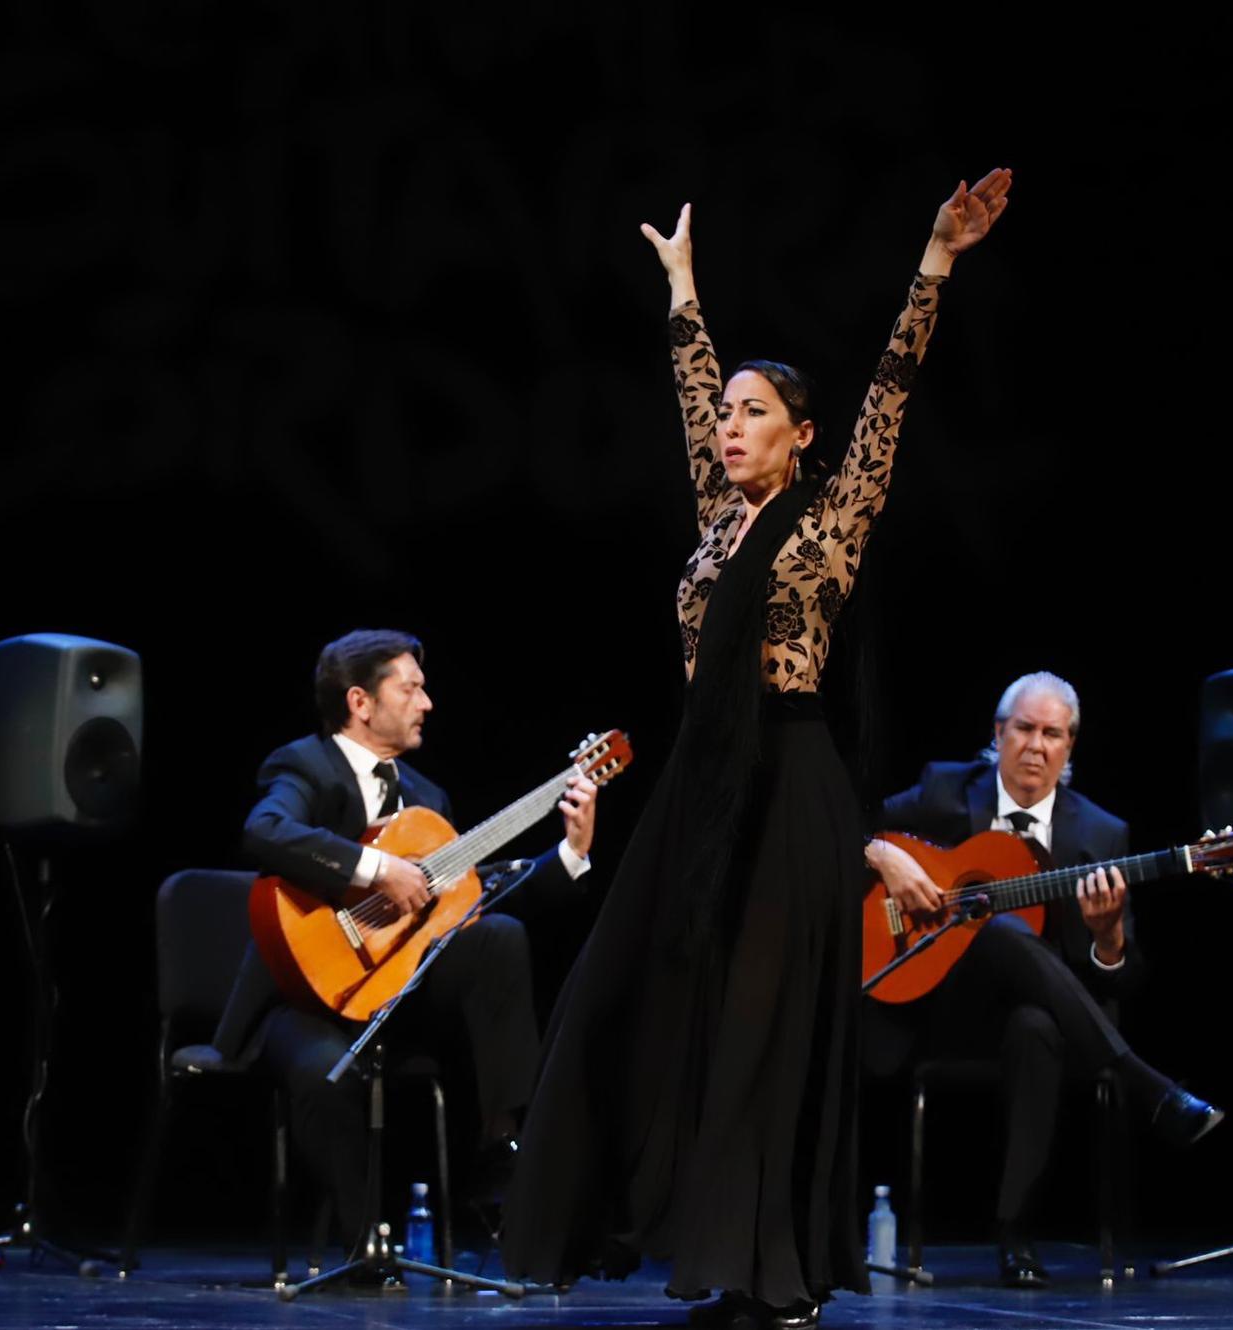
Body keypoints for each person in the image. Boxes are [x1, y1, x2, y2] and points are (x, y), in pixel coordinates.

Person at [501, 170, 1012, 1329]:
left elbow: (890, 392)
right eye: (724, 413)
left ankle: (764, 1271)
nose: (727, 426)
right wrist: (681, 289)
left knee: (759, 1032)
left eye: (751, 414)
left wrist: (932, 263)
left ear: (801, 440)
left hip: (789, 789)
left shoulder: (831, 519)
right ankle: (643, 1223)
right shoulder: (715, 516)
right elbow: (688, 389)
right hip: (701, 788)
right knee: (618, 995)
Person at [210, 628, 599, 1254]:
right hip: (303, 998)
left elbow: (472, 899)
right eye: (411, 688)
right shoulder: (304, 766)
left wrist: (570, 852)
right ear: (361, 702)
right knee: (327, 1076)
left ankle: (502, 1149)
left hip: (395, 997)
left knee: (497, 936)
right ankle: (367, 1244)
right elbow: (265, 831)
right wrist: (375, 870)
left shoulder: (427, 799)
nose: (428, 702)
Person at [863, 670, 1223, 1287]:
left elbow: (1121, 976)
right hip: (937, 1005)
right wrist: (882, 854)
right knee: (997, 927)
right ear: (997, 736)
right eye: (1023, 729)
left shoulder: (1102, 834)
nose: (1036, 745)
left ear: (1070, 747)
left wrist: (1108, 938)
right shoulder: (944, 791)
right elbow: (845, 826)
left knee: (1036, 1028)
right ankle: (1147, 1085)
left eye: (1051, 733)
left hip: (1047, 1023)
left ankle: (1015, 1237)